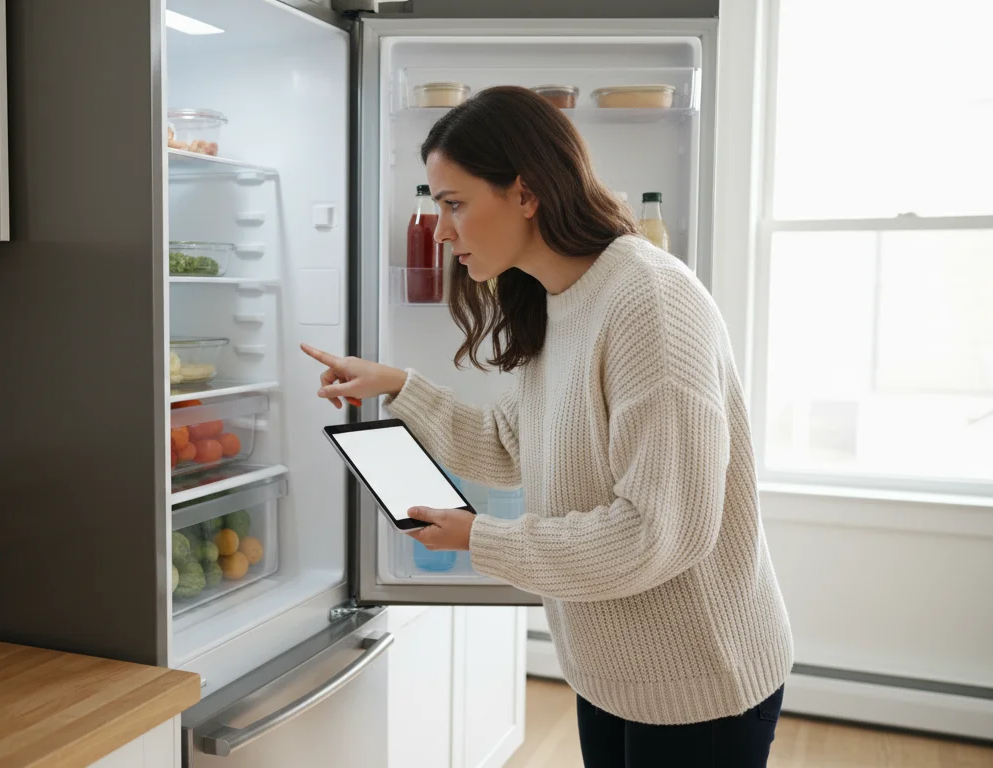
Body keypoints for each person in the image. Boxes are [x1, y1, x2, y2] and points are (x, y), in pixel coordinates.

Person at [302, 86, 793, 767]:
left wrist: (485, 538)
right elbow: (513, 446)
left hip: (699, 676)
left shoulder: (648, 302)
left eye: (453, 204)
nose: (440, 232)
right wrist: (397, 387)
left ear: (525, 193)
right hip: (613, 669)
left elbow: (659, 532)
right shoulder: (557, 296)